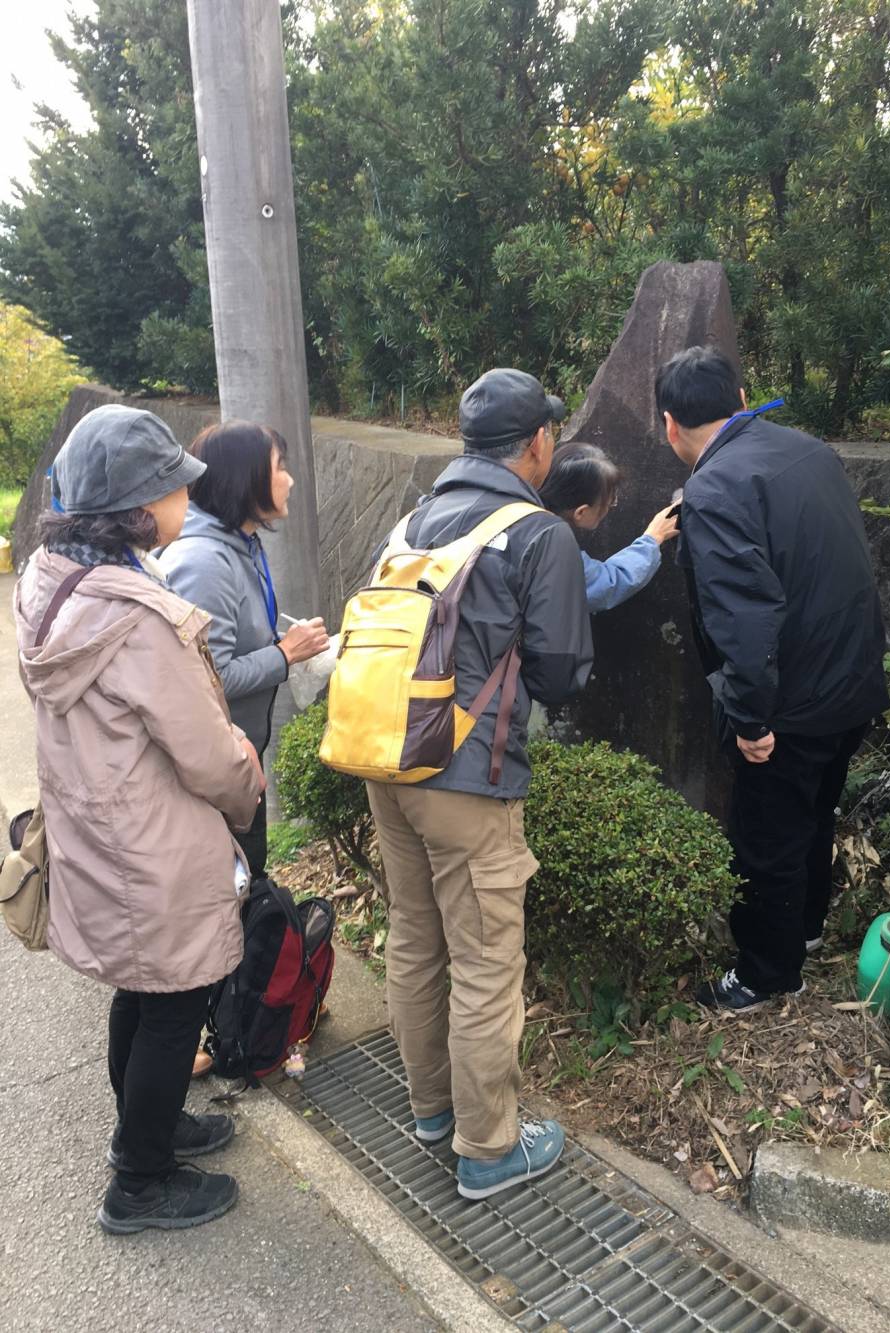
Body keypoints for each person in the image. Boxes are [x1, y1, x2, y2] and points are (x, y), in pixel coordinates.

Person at [14, 404, 265, 1233]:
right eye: (172, 492)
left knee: (142, 985)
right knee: (177, 998)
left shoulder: (54, 581)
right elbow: (205, 753)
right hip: (154, 842)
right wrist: (248, 783)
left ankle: (146, 1126)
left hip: (101, 831)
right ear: (135, 507)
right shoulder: (138, 620)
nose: (184, 504)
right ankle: (139, 1179)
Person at [364, 368, 593, 1199]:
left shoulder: (410, 521)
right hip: (467, 776)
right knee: (488, 960)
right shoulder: (538, 534)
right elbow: (564, 673)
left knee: (416, 937)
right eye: (551, 435)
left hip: (386, 762)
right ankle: (489, 1148)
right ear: (536, 444)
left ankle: (433, 1109)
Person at [655, 346, 889, 1012]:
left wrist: (752, 720)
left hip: (792, 701)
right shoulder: (808, 450)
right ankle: (806, 930)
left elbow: (744, 617)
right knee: (814, 815)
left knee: (767, 837)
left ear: (671, 424)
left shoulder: (715, 486)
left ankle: (764, 972)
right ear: (741, 394)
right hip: (851, 680)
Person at [159, 421, 329, 882]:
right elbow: (207, 679)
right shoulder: (205, 561)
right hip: (213, 775)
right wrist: (285, 654)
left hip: (232, 761)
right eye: (280, 467)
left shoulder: (238, 544)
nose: (290, 479)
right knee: (232, 901)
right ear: (244, 478)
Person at [539, 441, 678, 611]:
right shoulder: (551, 548)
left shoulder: (525, 515)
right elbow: (606, 584)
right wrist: (653, 538)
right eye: (608, 503)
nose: (610, 508)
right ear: (581, 512)